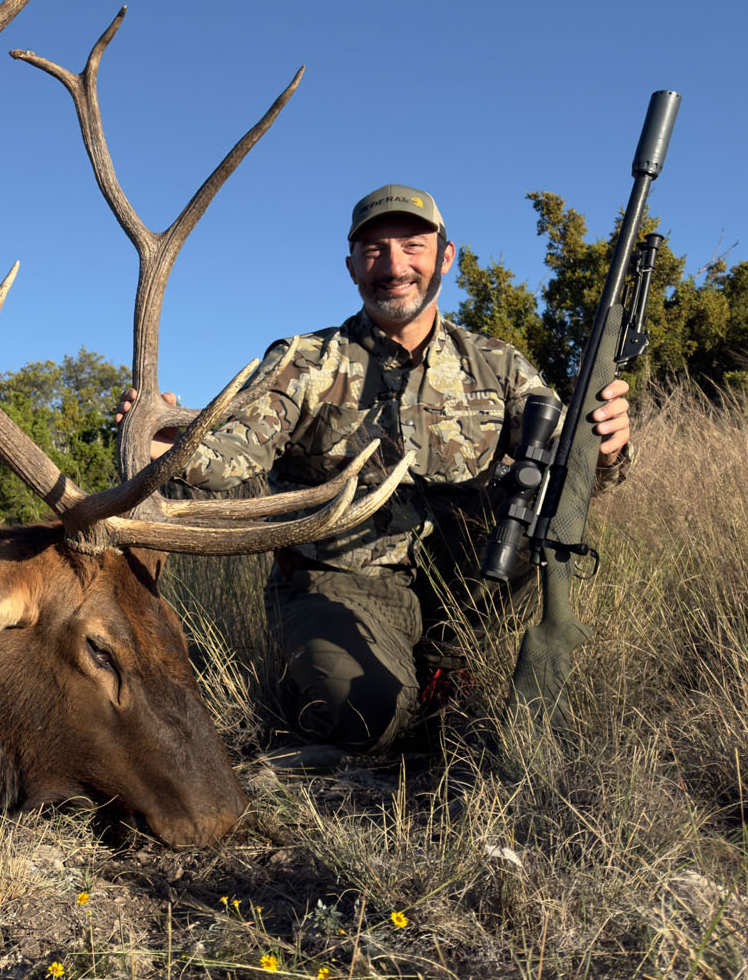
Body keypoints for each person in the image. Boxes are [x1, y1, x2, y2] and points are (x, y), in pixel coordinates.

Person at [120, 184, 633, 751]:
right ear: (351, 268)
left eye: (413, 245)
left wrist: (604, 447)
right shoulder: (303, 361)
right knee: (365, 720)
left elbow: (567, 469)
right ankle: (364, 690)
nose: (394, 266)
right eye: (373, 251)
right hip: (342, 582)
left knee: (525, 523)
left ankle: (446, 673)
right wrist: (170, 444)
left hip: (470, 588)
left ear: (446, 256)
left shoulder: (498, 363)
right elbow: (235, 458)